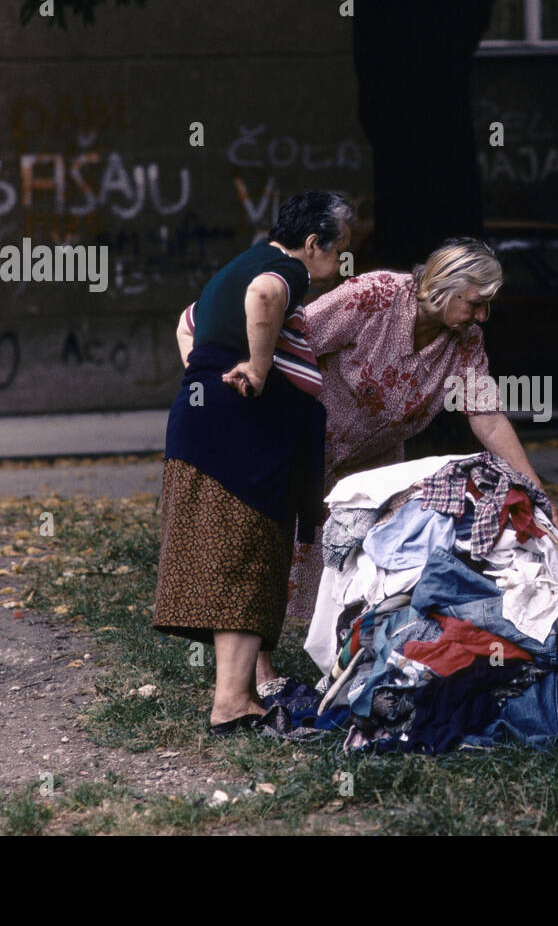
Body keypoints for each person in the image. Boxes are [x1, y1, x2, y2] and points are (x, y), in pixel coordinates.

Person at [178, 237, 557, 691]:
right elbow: (286, 333)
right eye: (475, 303)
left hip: (371, 461)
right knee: (277, 546)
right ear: (444, 286)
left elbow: (486, 415)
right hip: (302, 438)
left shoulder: (464, 339)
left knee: (362, 555)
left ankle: (351, 661)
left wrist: (533, 488)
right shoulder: (374, 295)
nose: (481, 317)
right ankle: (257, 673)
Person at [154, 189, 355, 735]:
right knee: (248, 559)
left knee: (232, 560)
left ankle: (234, 698)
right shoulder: (282, 270)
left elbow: (185, 321)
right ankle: (231, 703)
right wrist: (259, 368)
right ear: (313, 243)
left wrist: (204, 376)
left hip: (203, 427)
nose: (339, 266)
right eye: (339, 253)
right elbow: (266, 296)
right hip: (246, 437)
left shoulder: (237, 265)